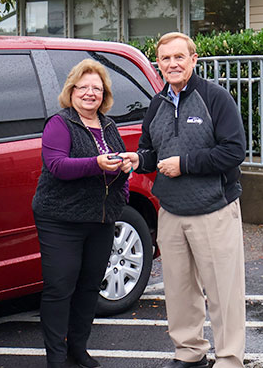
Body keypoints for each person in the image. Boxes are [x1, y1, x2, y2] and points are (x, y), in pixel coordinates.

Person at [121, 32, 246, 368]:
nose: (173, 64)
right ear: (158, 64)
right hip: (172, 211)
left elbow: (234, 151)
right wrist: (138, 160)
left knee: (223, 292)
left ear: (193, 60)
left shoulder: (215, 98)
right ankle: (190, 353)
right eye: (166, 58)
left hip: (214, 209)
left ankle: (229, 359)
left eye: (179, 57)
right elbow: (151, 151)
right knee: (179, 290)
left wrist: (185, 164)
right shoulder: (157, 104)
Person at [32, 59, 132, 368]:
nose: (90, 93)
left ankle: (78, 348)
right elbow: (58, 166)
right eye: (83, 87)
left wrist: (124, 172)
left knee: (89, 287)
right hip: (61, 219)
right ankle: (56, 358)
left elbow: (116, 168)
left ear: (104, 94)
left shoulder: (108, 125)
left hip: (100, 219)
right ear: (71, 91)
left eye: (96, 89)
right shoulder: (59, 124)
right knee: (60, 288)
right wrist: (96, 164)